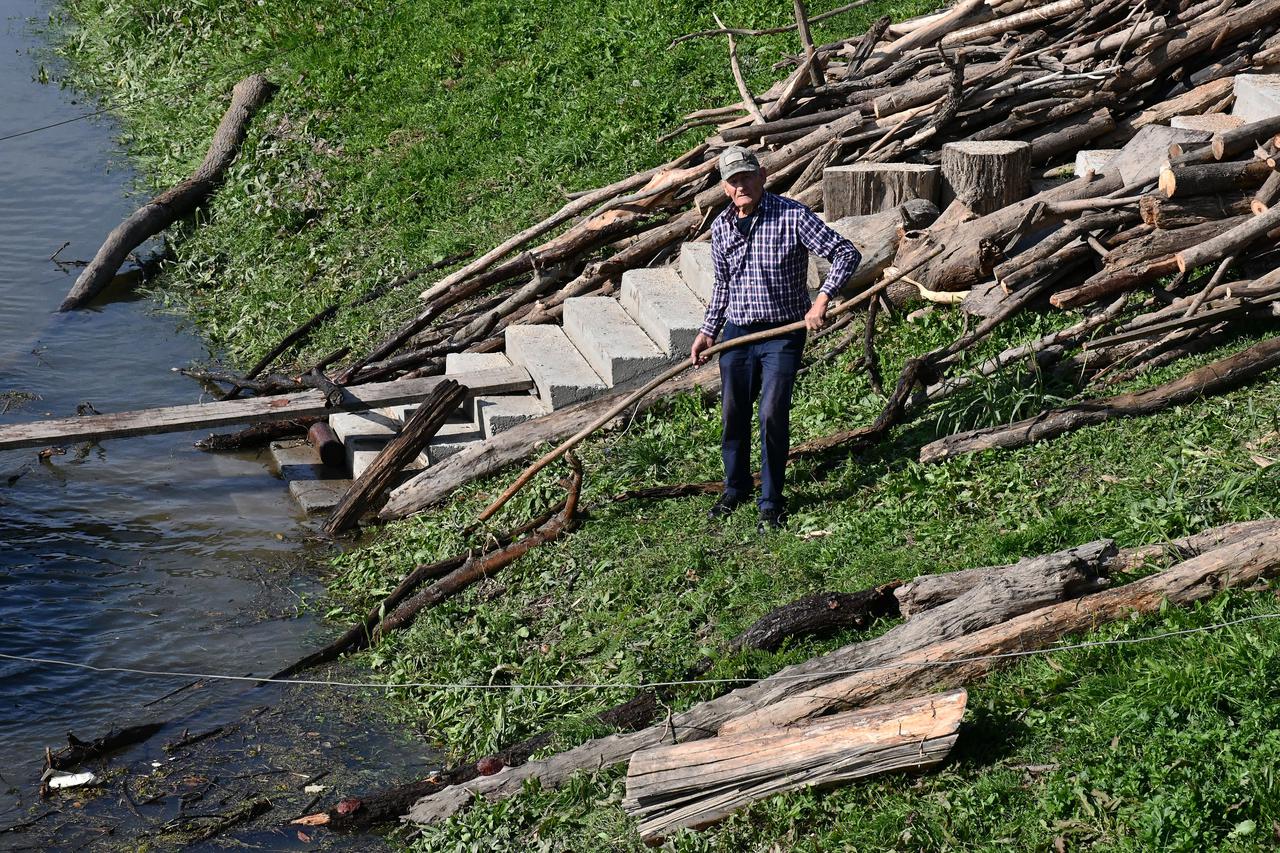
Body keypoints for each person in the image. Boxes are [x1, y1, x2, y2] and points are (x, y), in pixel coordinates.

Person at [691, 146, 861, 532]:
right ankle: (735, 488)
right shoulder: (721, 226)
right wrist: (707, 332)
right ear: (724, 187)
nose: (741, 186)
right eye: (733, 180)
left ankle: (771, 499)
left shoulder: (791, 215)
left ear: (762, 175)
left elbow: (845, 253)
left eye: (746, 176)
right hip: (736, 333)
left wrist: (821, 301)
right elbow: (723, 286)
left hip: (782, 334)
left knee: (771, 412)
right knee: (734, 412)